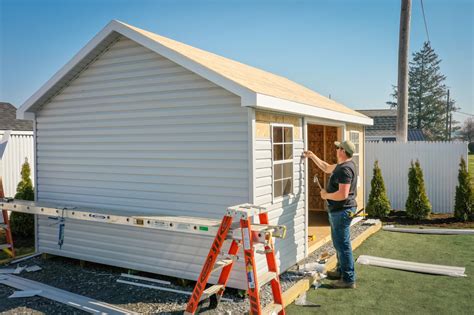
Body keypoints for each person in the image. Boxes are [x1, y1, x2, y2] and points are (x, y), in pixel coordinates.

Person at [303, 140, 358, 289]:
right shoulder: (345, 165)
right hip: (339, 211)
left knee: (343, 245)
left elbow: (342, 194)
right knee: (339, 243)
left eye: (338, 148)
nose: (336, 150)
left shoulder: (344, 169)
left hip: (342, 211)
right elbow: (326, 168)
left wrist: (326, 195)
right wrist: (312, 155)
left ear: (343, 151)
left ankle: (348, 279)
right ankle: (341, 271)